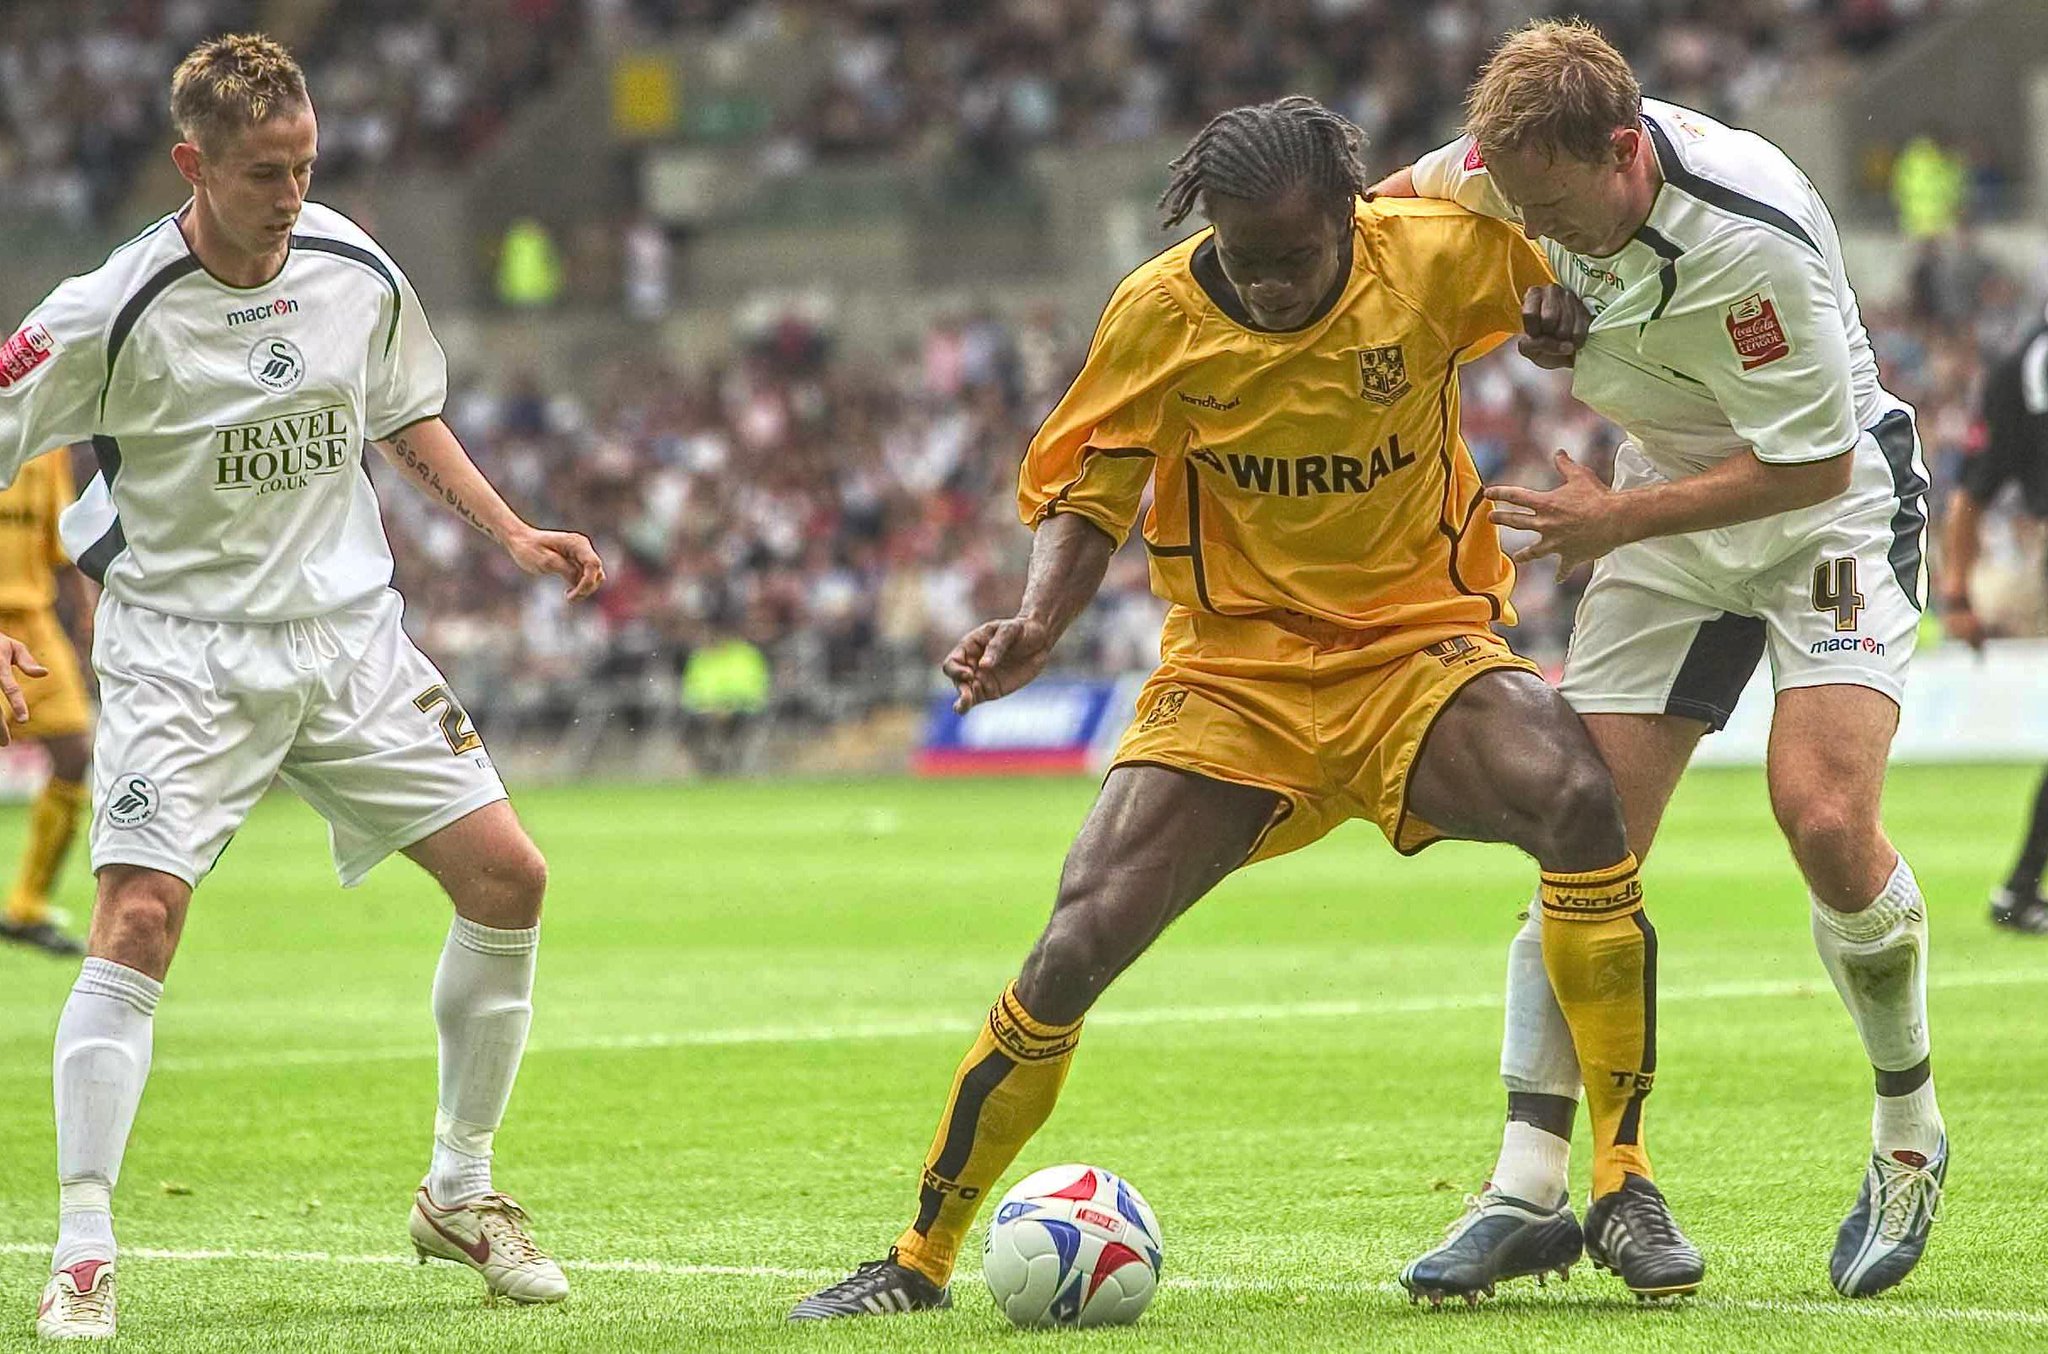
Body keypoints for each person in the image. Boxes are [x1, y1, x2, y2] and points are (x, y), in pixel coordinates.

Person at [787, 95, 1703, 1324]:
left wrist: (1558, 313)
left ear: (1350, 218)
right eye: (1242, 256)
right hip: (1233, 679)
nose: (1268, 285)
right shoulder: (1157, 313)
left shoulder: (1431, 255)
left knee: (1577, 800)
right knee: (1073, 941)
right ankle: (918, 1255)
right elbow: (1091, 485)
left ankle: (1621, 1178)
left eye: (1294, 258)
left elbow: (1584, 259)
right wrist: (1038, 625)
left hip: (1414, 652)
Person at [2, 35, 606, 1339]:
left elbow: (400, 412)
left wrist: (511, 532)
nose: (291, 196)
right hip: (183, 654)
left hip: (347, 643)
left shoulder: (352, 267)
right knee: (138, 918)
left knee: (510, 878)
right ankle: (85, 1246)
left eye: (306, 166)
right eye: (264, 174)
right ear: (193, 164)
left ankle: (459, 1190)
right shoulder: (109, 308)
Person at [1374, 18, 1942, 1301]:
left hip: (1826, 519)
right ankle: (1523, 1189)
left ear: (1624, 149)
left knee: (1822, 817)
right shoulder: (1510, 168)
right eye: (1518, 206)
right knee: (1579, 830)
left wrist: (1615, 519)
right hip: (1659, 505)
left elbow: (1810, 464)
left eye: (1554, 208)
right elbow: (1379, 216)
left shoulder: (1750, 236)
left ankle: (1906, 1132)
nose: (1536, 229)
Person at [1942, 303, 2048, 932]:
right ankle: (2018, 889)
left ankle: (2018, 889)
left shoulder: (2020, 362)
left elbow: (1971, 491)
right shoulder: (2024, 367)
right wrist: (1956, 594)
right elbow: (1972, 492)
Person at [0, 449, 95, 957]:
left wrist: (85, 619)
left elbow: (63, 545)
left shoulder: (46, 446)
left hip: (33, 623)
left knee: (75, 752)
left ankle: (28, 906)